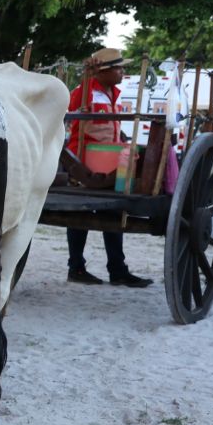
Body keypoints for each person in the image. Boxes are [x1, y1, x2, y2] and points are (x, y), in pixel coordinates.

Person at [65, 48, 152, 287]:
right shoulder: (84, 92)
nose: (123, 72)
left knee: (113, 213)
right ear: (103, 71)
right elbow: (75, 112)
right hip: (84, 161)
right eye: (119, 68)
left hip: (107, 160)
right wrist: (86, 78)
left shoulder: (113, 93)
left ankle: (116, 269)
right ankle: (77, 267)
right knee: (80, 212)